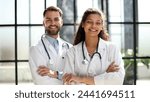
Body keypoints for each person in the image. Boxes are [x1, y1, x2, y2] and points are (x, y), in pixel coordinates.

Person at [62, 8, 125, 85]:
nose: (93, 26)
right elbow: (68, 83)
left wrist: (80, 79)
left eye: (98, 23)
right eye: (89, 22)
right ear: (83, 24)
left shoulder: (112, 49)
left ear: (102, 26)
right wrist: (105, 75)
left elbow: (118, 80)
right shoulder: (72, 52)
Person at [29, 6, 72, 85]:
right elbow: (42, 82)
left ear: (61, 22)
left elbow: (76, 76)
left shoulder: (70, 47)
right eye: (48, 20)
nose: (52, 23)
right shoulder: (36, 49)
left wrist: (55, 74)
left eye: (56, 19)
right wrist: (65, 78)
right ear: (43, 23)